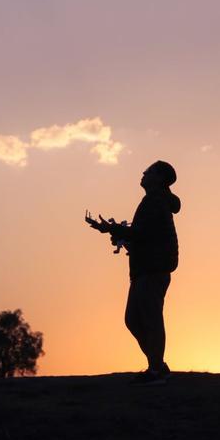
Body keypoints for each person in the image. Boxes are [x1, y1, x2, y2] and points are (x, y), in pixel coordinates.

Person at [85, 161, 181, 385]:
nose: (143, 173)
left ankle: (157, 370)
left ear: (158, 178)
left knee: (149, 319)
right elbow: (144, 235)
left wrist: (111, 229)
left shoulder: (155, 201)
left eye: (148, 171)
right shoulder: (154, 201)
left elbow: (141, 233)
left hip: (152, 269)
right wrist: (119, 232)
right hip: (145, 268)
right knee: (134, 319)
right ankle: (157, 366)